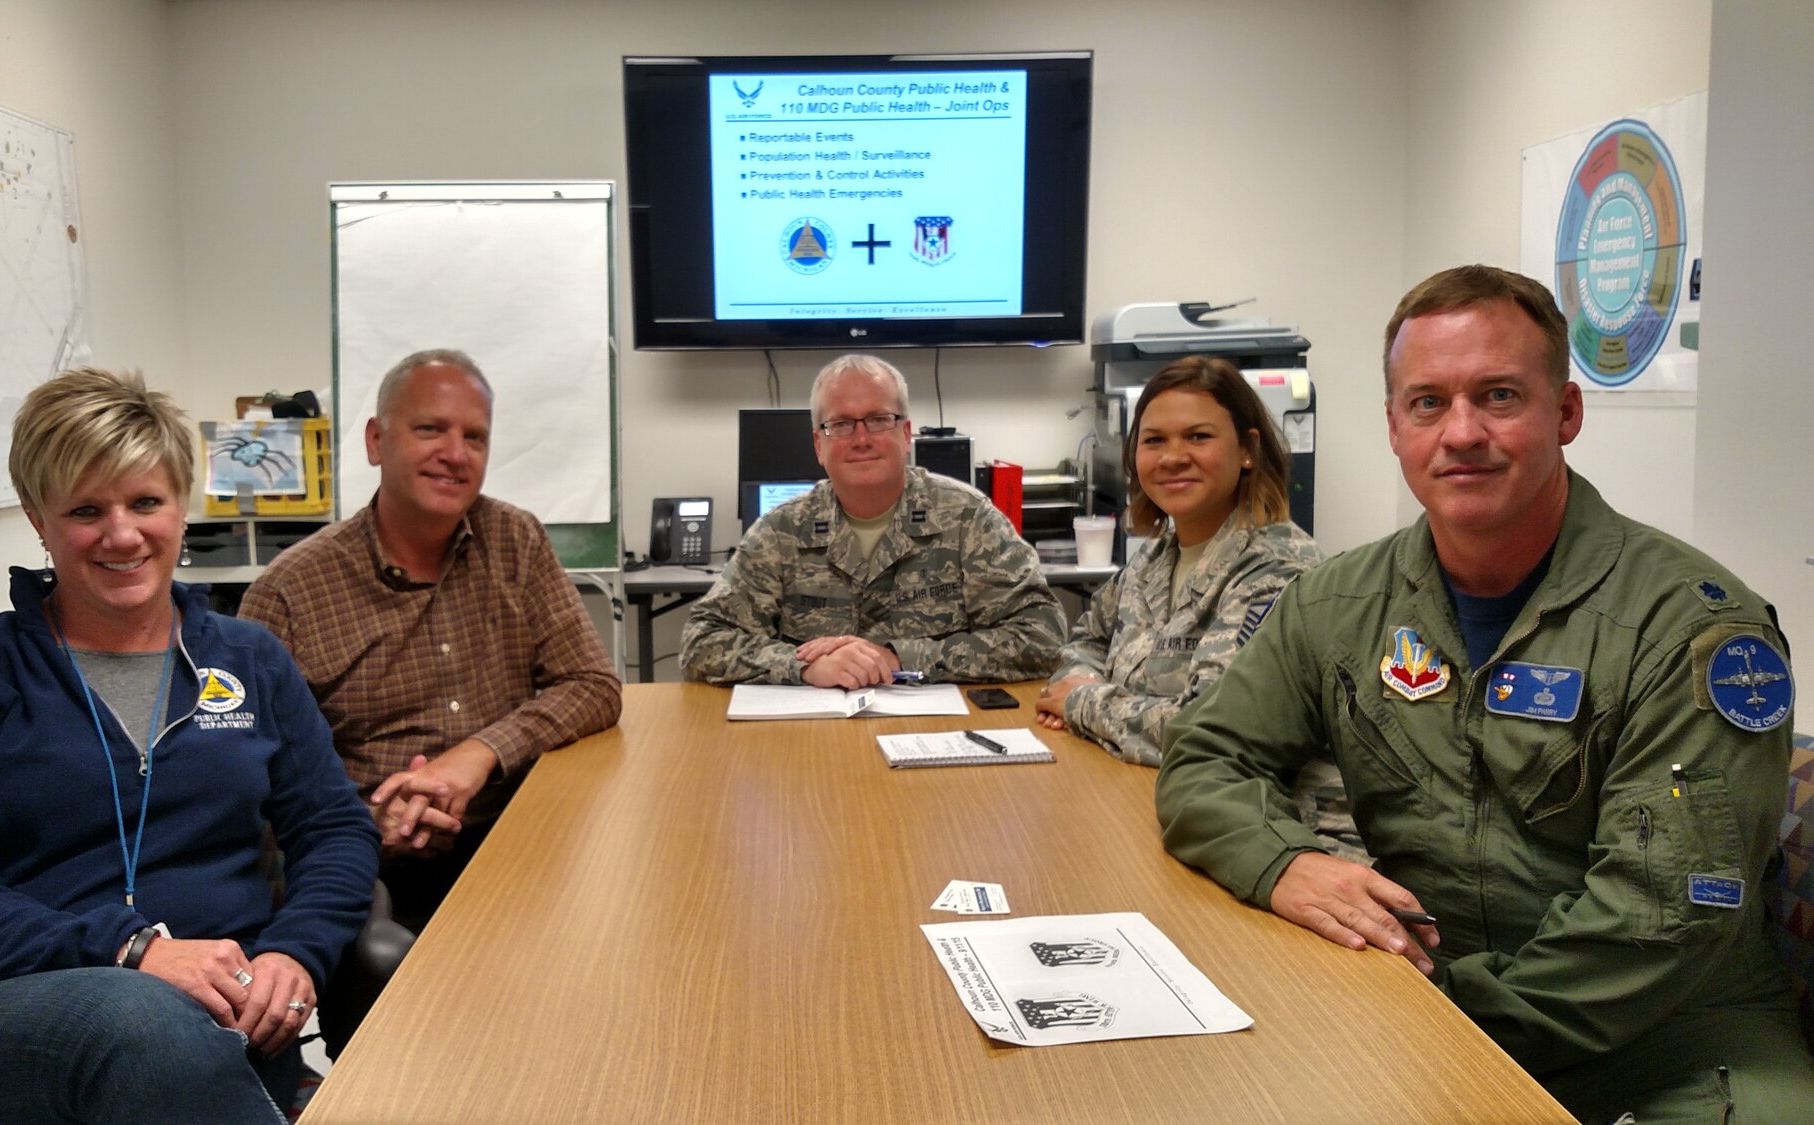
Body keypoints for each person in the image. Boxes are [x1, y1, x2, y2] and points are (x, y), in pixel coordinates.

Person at [1155, 265, 1814, 1121]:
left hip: (1673, 1036)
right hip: (1418, 997)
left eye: (1498, 395)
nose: (1461, 431)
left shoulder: (1690, 628)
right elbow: (1205, 758)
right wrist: (1286, 863)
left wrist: (1434, 1025)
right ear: (1394, 426)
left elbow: (1660, 916)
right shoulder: (1339, 602)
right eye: (1427, 402)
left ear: (1566, 413)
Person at [0, 368, 379, 1124]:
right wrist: (131, 950)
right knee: (142, 1020)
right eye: (85, 509)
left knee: (179, 1043)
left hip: (214, 1034)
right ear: (38, 519)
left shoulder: (250, 660)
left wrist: (294, 951)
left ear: (181, 504)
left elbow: (334, 829)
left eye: (146, 501)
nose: (123, 533)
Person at [240, 347, 621, 1058]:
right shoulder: (291, 591)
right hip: (370, 866)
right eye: (430, 430)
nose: (455, 453)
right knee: (419, 1048)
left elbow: (593, 685)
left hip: (518, 841)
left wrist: (475, 757)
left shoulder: (516, 538)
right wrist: (366, 826)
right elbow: (250, 788)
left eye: (473, 436)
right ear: (377, 441)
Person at [1031, 357, 1360, 860]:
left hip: (1277, 840)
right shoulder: (1155, 559)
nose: (1173, 457)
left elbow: (1203, 731)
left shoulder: (1277, 572)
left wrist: (1080, 704)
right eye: (1154, 440)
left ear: (1248, 450)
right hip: (1143, 804)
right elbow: (1085, 640)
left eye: (1199, 437)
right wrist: (1081, 681)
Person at [680, 354, 1065, 686]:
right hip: (808, 740)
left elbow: (1043, 635)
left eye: (879, 419)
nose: (861, 439)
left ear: (906, 433)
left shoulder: (967, 519)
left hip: (937, 734)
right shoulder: (781, 531)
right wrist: (804, 665)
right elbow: (701, 641)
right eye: (841, 424)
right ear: (819, 444)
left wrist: (900, 659)